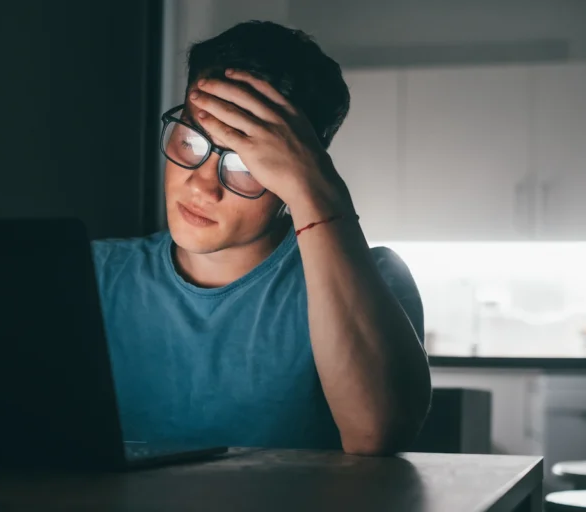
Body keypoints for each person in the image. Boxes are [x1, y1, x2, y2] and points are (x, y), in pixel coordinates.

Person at [93, 20, 431, 455]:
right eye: (191, 142)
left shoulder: (373, 281)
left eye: (244, 164)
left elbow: (376, 434)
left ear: (295, 172)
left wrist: (318, 192)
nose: (203, 187)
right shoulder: (91, 275)